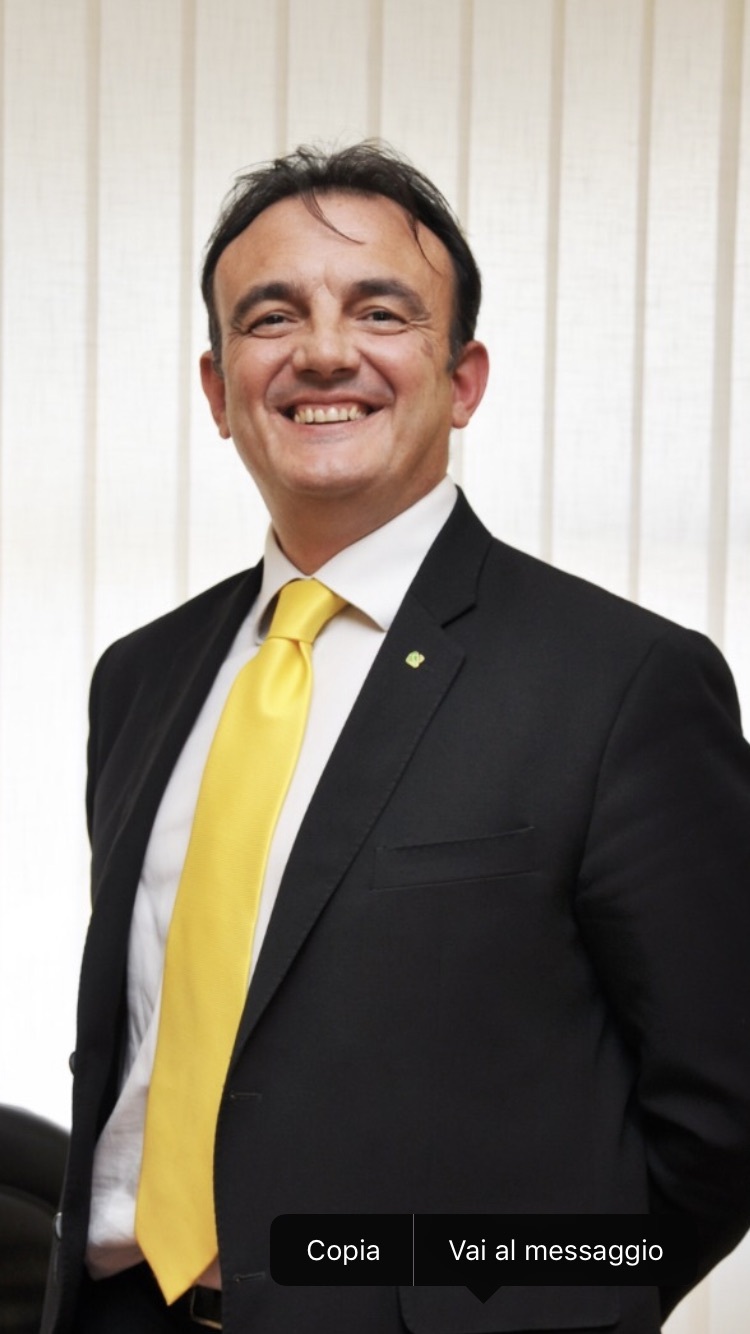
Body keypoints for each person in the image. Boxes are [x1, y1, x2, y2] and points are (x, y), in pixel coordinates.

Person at [42, 142, 750, 1334]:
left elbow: (720, 1117)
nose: (324, 351)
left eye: (380, 311)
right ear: (217, 390)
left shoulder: (624, 682)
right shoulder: (141, 676)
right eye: (272, 316)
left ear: (462, 379)